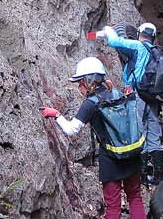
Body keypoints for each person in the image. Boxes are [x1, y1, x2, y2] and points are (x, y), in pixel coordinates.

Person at [42, 57, 146, 219]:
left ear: (87, 81)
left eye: (80, 83)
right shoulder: (116, 93)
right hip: (132, 153)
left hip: (111, 158)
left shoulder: (90, 104)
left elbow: (71, 130)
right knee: (135, 197)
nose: (79, 87)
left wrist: (56, 115)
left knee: (113, 206)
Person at [98, 23, 163, 185]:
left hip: (138, 95)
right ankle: (158, 176)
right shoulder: (156, 52)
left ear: (139, 33)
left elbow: (115, 42)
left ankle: (142, 176)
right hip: (153, 97)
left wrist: (108, 30)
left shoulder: (138, 46)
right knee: (153, 130)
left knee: (138, 130)